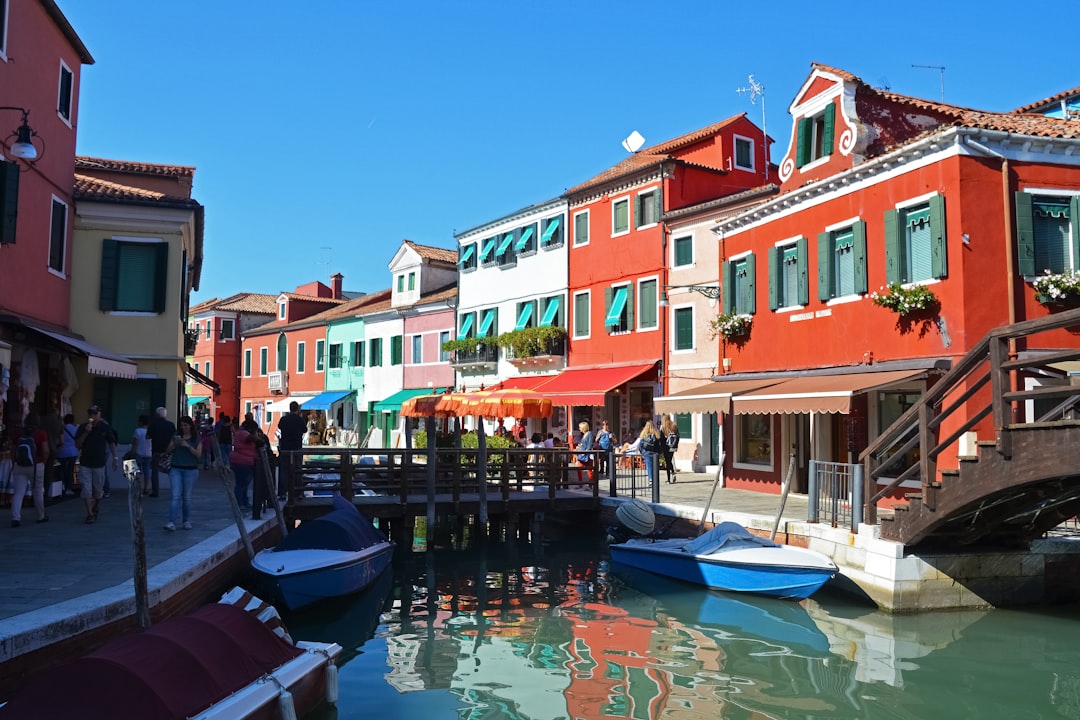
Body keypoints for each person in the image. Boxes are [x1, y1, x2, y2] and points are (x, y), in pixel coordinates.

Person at [75, 405, 119, 525]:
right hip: (85, 462)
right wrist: (85, 432)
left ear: (99, 414)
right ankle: (89, 514)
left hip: (99, 463)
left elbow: (111, 442)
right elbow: (78, 444)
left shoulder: (104, 427)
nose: (92, 416)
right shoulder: (83, 427)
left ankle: (96, 505)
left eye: (95, 413)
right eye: (90, 413)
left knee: (98, 490)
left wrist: (115, 458)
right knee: (86, 489)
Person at [10, 412, 49, 527]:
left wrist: (14, 462)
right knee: (37, 491)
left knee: (18, 492)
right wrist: (43, 463)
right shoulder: (41, 433)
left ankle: (15, 518)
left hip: (19, 465)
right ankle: (40, 516)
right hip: (36, 465)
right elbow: (46, 451)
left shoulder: (18, 433)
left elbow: (13, 450)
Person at [164, 415, 202, 531]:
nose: (183, 427)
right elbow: (167, 451)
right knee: (175, 496)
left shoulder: (196, 438)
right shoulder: (176, 436)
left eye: (185, 425)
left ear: (190, 425)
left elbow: (198, 455)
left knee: (187, 497)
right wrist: (174, 444)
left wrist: (187, 446)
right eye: (181, 425)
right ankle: (171, 522)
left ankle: (185, 520)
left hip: (191, 469)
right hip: (176, 468)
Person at [276, 401, 307, 500]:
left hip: (285, 447)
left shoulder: (284, 419)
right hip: (296, 447)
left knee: (284, 471)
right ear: (297, 409)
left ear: (289, 408)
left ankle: (282, 493)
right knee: (297, 470)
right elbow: (305, 430)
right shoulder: (299, 419)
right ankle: (298, 492)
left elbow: (279, 426)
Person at [146, 407, 175, 497]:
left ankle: (155, 491)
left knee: (155, 471)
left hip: (156, 450)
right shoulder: (171, 425)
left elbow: (148, 436)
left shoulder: (153, 425)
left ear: (157, 415)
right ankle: (175, 489)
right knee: (172, 471)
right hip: (169, 451)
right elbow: (174, 437)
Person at [229, 422, 257, 511]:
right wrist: (258, 436)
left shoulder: (239, 433)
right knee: (241, 484)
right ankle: (240, 503)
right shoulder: (244, 433)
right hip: (243, 461)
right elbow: (253, 439)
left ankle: (244, 502)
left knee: (243, 484)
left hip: (240, 461)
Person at [56, 413, 79, 496]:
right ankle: (68, 488)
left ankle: (62, 487)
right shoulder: (75, 429)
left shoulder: (61, 428)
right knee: (70, 471)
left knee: (62, 470)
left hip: (61, 451)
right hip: (73, 451)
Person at [132, 415, 153, 494]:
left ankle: (138, 487)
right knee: (146, 471)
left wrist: (132, 453)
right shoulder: (150, 431)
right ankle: (146, 487)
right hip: (148, 453)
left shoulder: (138, 431)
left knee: (137, 472)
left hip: (139, 453)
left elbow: (135, 443)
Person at [638, 419, 662, 484]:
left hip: (647, 452)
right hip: (655, 453)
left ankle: (650, 479)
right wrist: (659, 453)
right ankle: (655, 479)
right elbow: (659, 445)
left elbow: (640, 445)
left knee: (649, 466)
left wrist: (642, 452)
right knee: (655, 466)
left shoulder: (644, 434)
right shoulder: (656, 434)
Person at [661, 414, 680, 484]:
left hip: (666, 447)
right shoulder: (674, 426)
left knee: (668, 462)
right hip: (673, 447)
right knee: (670, 460)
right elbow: (678, 436)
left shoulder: (663, 427)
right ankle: (673, 473)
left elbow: (662, 439)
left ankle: (669, 478)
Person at [575, 420, 595, 486]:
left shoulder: (589, 434)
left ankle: (590, 484)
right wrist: (578, 447)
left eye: (580, 427)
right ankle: (580, 483)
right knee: (579, 468)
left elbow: (589, 444)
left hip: (587, 454)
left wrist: (586, 451)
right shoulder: (583, 435)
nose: (579, 429)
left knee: (589, 470)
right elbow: (582, 444)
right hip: (582, 453)